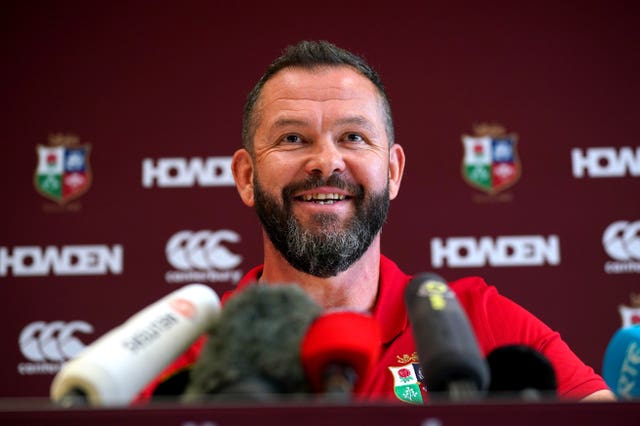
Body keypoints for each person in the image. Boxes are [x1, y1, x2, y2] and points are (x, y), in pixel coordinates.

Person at [140, 40, 614, 403]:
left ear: (392, 171)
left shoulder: (477, 320)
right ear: (246, 176)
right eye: (292, 138)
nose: (326, 162)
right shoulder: (187, 355)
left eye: (353, 136)